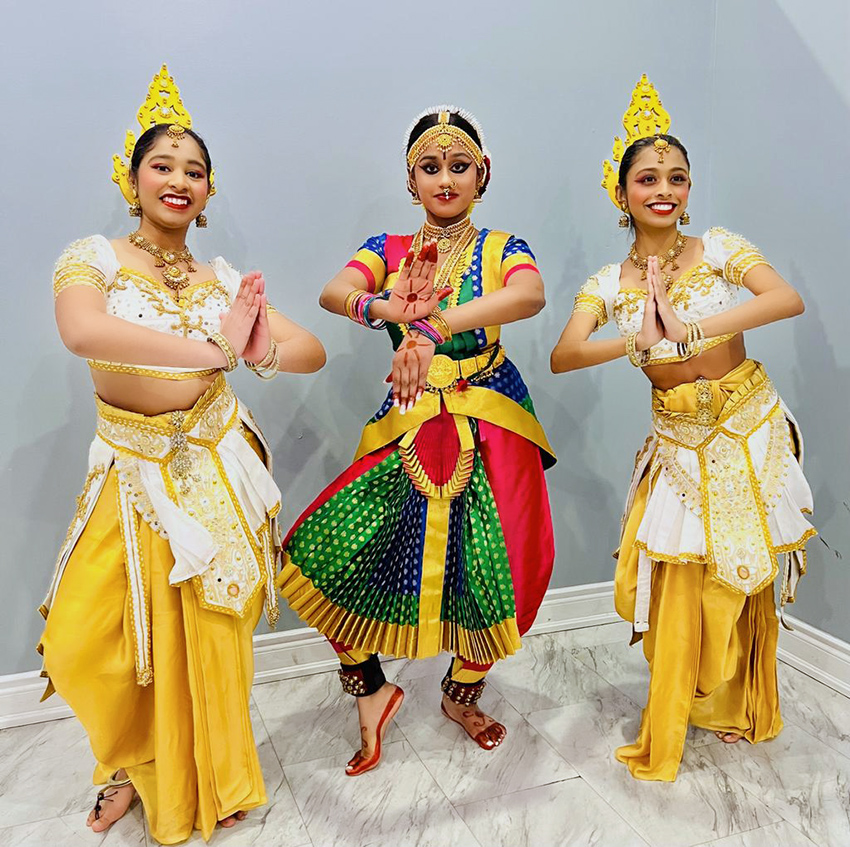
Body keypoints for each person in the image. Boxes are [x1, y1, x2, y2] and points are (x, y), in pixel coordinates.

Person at [38, 65, 325, 842]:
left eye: (194, 170)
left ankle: (217, 778)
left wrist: (258, 348)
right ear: (131, 179)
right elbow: (82, 331)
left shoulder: (220, 277)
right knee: (86, 642)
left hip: (211, 461)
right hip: (131, 471)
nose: (178, 179)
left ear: (208, 191)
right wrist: (212, 349)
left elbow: (310, 349)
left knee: (214, 633)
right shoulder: (94, 257)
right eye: (162, 165)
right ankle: (130, 763)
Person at [550, 75, 815, 782]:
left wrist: (689, 326)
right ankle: (673, 713)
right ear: (621, 193)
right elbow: (564, 354)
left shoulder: (719, 247)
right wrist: (638, 340)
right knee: (672, 580)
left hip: (745, 424)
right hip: (679, 439)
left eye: (676, 178)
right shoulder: (608, 282)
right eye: (647, 178)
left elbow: (784, 299)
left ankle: (733, 706)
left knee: (737, 578)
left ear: (689, 189)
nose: (663, 190)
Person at [278, 105, 555, 775]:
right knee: (333, 552)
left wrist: (435, 327)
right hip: (409, 416)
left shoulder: (503, 248)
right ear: (411, 181)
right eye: (430, 167)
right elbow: (335, 291)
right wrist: (384, 308)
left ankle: (461, 693)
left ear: (483, 173)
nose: (445, 179)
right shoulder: (389, 248)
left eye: (459, 165)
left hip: (490, 416)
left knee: (505, 566)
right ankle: (372, 691)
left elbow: (530, 295)